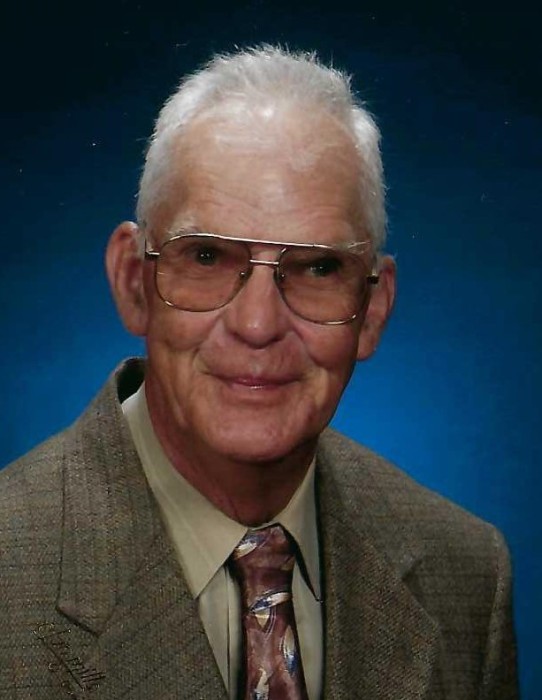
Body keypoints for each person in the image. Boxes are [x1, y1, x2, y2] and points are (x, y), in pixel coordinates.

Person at [0, 46, 518, 699]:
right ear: (134, 282)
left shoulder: (466, 575)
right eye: (207, 256)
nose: (256, 324)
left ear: (373, 310)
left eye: (319, 267)